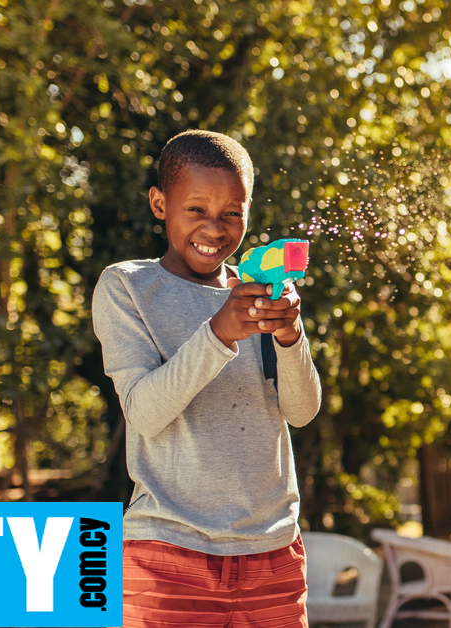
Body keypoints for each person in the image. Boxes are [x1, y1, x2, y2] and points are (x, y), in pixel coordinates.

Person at [92, 130, 321, 628]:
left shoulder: (255, 289)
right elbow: (145, 411)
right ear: (160, 203)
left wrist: (289, 335)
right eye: (196, 210)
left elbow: (301, 412)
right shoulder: (127, 286)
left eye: (231, 214)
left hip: (272, 551)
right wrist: (218, 332)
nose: (214, 229)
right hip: (167, 555)